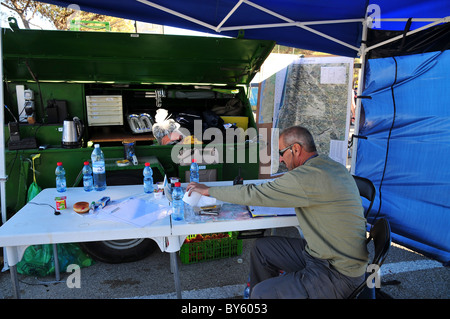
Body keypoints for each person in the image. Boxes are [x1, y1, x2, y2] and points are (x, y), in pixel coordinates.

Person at [186, 125, 369, 299]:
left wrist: (208, 190)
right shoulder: (329, 165)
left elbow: (254, 193)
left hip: (338, 273)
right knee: (262, 249)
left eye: (282, 153)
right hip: (322, 254)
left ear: (296, 149)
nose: (281, 159)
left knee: (262, 293)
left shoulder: (305, 177)